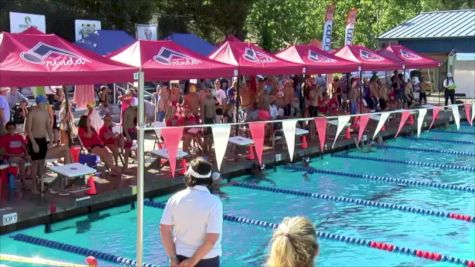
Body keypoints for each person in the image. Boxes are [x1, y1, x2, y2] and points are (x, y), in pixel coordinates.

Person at [160, 157, 223, 267]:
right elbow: (211, 239)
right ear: (209, 179)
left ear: (189, 176)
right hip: (207, 260)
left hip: (180, 258)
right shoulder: (214, 203)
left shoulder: (175, 199)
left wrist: (173, 257)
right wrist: (192, 262)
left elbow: (164, 230)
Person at [25, 95, 53, 194]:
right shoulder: (32, 113)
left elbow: (48, 127)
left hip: (43, 140)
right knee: (34, 164)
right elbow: (28, 130)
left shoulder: (45, 113)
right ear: (40, 103)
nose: (45, 104)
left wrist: (52, 139)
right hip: (34, 140)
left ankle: (40, 184)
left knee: (42, 163)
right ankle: (33, 187)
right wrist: (33, 143)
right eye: (44, 103)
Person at [0, 122, 29, 190]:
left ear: (15, 129)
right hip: (10, 157)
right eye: (9, 129)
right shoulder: (3, 138)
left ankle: (39, 179)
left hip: (21, 155)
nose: (11, 130)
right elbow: (3, 153)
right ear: (7, 130)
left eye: (12, 128)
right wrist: (17, 155)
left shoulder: (19, 136)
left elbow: (24, 147)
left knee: (35, 159)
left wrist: (27, 154)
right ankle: (24, 183)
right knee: (21, 161)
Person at [123, 97, 138, 169]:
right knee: (127, 149)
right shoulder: (127, 111)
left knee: (139, 146)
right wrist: (127, 135)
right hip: (128, 131)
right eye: (134, 106)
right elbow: (124, 124)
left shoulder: (136, 111)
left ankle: (139, 161)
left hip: (133, 130)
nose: (135, 107)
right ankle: (125, 165)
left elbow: (136, 122)